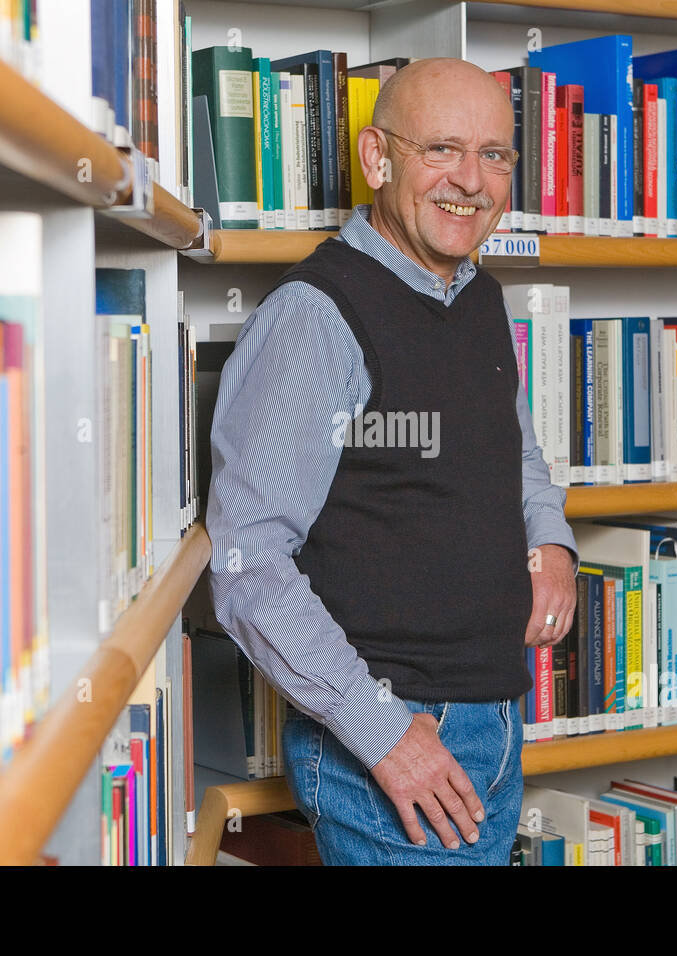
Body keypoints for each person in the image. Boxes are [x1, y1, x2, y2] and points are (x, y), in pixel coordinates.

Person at [205, 57, 578, 865]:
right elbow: (247, 561)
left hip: (495, 714)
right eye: (441, 149)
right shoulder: (316, 316)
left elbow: (512, 450)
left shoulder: (476, 291)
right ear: (377, 159)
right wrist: (383, 733)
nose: (471, 181)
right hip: (397, 737)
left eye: (496, 154)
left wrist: (550, 538)